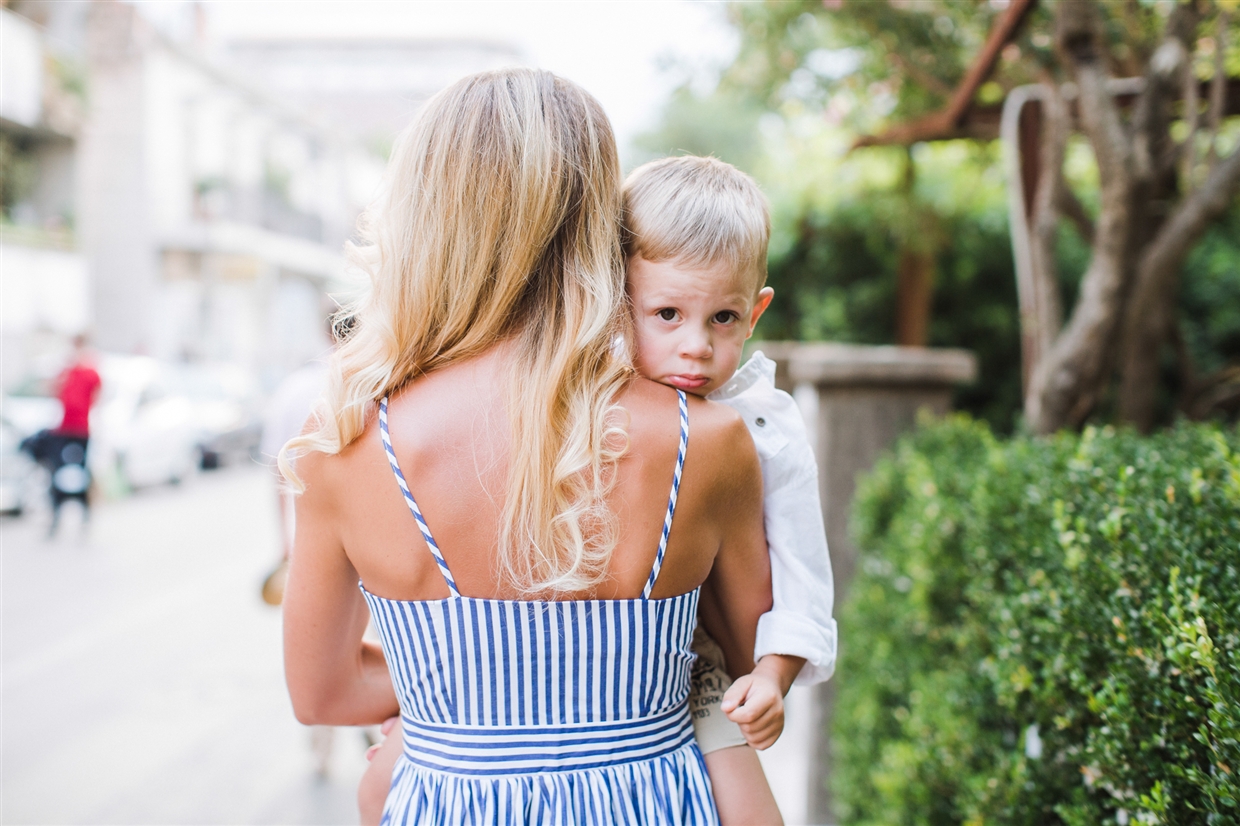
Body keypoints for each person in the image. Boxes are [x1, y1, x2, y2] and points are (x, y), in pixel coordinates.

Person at [281, 69, 778, 825]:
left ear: (424, 218)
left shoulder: (347, 442)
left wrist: (458, 697)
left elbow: (322, 695)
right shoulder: (702, 440)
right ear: (599, 224)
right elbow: (749, 671)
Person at [623, 155, 837, 818]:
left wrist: (772, 678)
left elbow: (805, 569)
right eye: (666, 314)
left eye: (723, 318)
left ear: (757, 313)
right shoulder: (588, 403)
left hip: (706, 667)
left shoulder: (766, 426)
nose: (695, 346)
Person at [46, 334, 101, 536]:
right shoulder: (66, 371)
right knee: (58, 475)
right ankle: (56, 517)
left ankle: (85, 518)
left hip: (81, 430)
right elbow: (54, 391)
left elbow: (96, 395)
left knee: (81, 475)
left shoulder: (90, 371)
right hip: (63, 429)